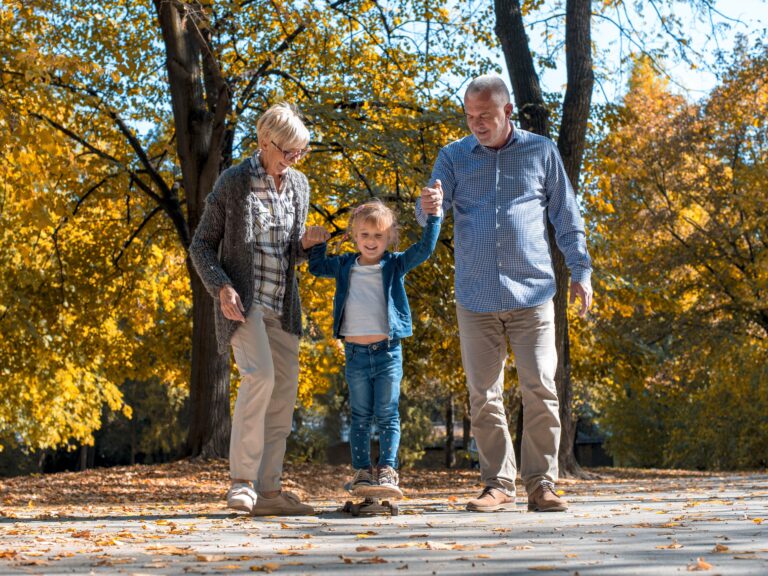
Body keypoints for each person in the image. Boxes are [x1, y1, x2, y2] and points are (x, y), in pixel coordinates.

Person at [417, 74, 593, 513]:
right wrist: (428, 210)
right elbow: (429, 219)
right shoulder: (453, 156)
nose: (476, 123)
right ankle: (498, 483)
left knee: (540, 389)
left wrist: (581, 270)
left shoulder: (541, 151)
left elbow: (566, 217)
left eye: (486, 116)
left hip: (533, 295)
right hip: (475, 297)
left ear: (507, 111)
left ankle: (542, 484)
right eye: (470, 116)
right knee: (484, 395)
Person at [189, 102, 329, 516]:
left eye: (301, 152)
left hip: (282, 305)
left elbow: (290, 255)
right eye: (289, 152)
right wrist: (221, 288)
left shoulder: (299, 185)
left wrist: (305, 245)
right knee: (260, 378)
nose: (295, 160)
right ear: (266, 142)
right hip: (244, 303)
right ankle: (242, 483)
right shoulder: (234, 182)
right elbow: (201, 245)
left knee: (283, 395)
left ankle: (270, 491)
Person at [307, 199, 442, 498]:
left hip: (388, 352)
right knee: (360, 416)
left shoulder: (394, 264)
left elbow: (424, 249)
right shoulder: (344, 266)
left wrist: (434, 218)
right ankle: (362, 473)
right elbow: (316, 267)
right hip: (355, 354)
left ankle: (387, 470)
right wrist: (319, 242)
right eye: (365, 235)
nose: (371, 242)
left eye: (378, 236)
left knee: (387, 413)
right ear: (354, 236)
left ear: (389, 237)